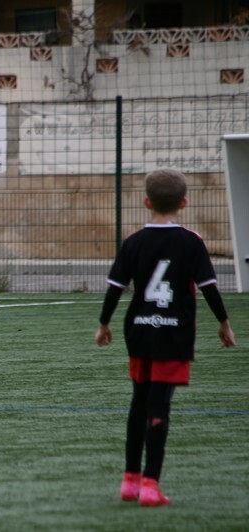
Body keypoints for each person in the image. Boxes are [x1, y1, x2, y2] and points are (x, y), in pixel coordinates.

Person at [94, 168, 236, 506]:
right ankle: (150, 485)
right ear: (184, 203)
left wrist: (104, 323)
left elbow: (115, 288)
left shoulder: (133, 241)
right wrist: (224, 323)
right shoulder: (191, 241)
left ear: (146, 202)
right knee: (160, 406)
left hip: (139, 329)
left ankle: (130, 481)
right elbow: (209, 288)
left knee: (138, 402)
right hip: (174, 333)